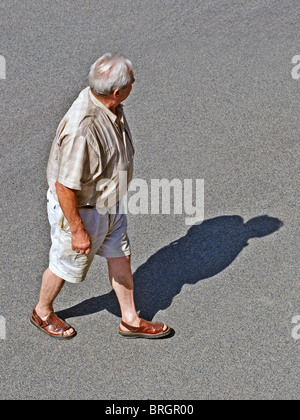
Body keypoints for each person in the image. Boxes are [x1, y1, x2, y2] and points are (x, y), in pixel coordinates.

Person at [30, 53, 171, 340]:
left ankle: (130, 319)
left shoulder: (108, 102)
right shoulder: (83, 130)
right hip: (83, 209)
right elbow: (64, 187)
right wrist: (78, 231)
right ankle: (42, 311)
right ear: (117, 91)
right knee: (64, 265)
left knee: (121, 254)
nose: (135, 83)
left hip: (107, 200)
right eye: (131, 81)